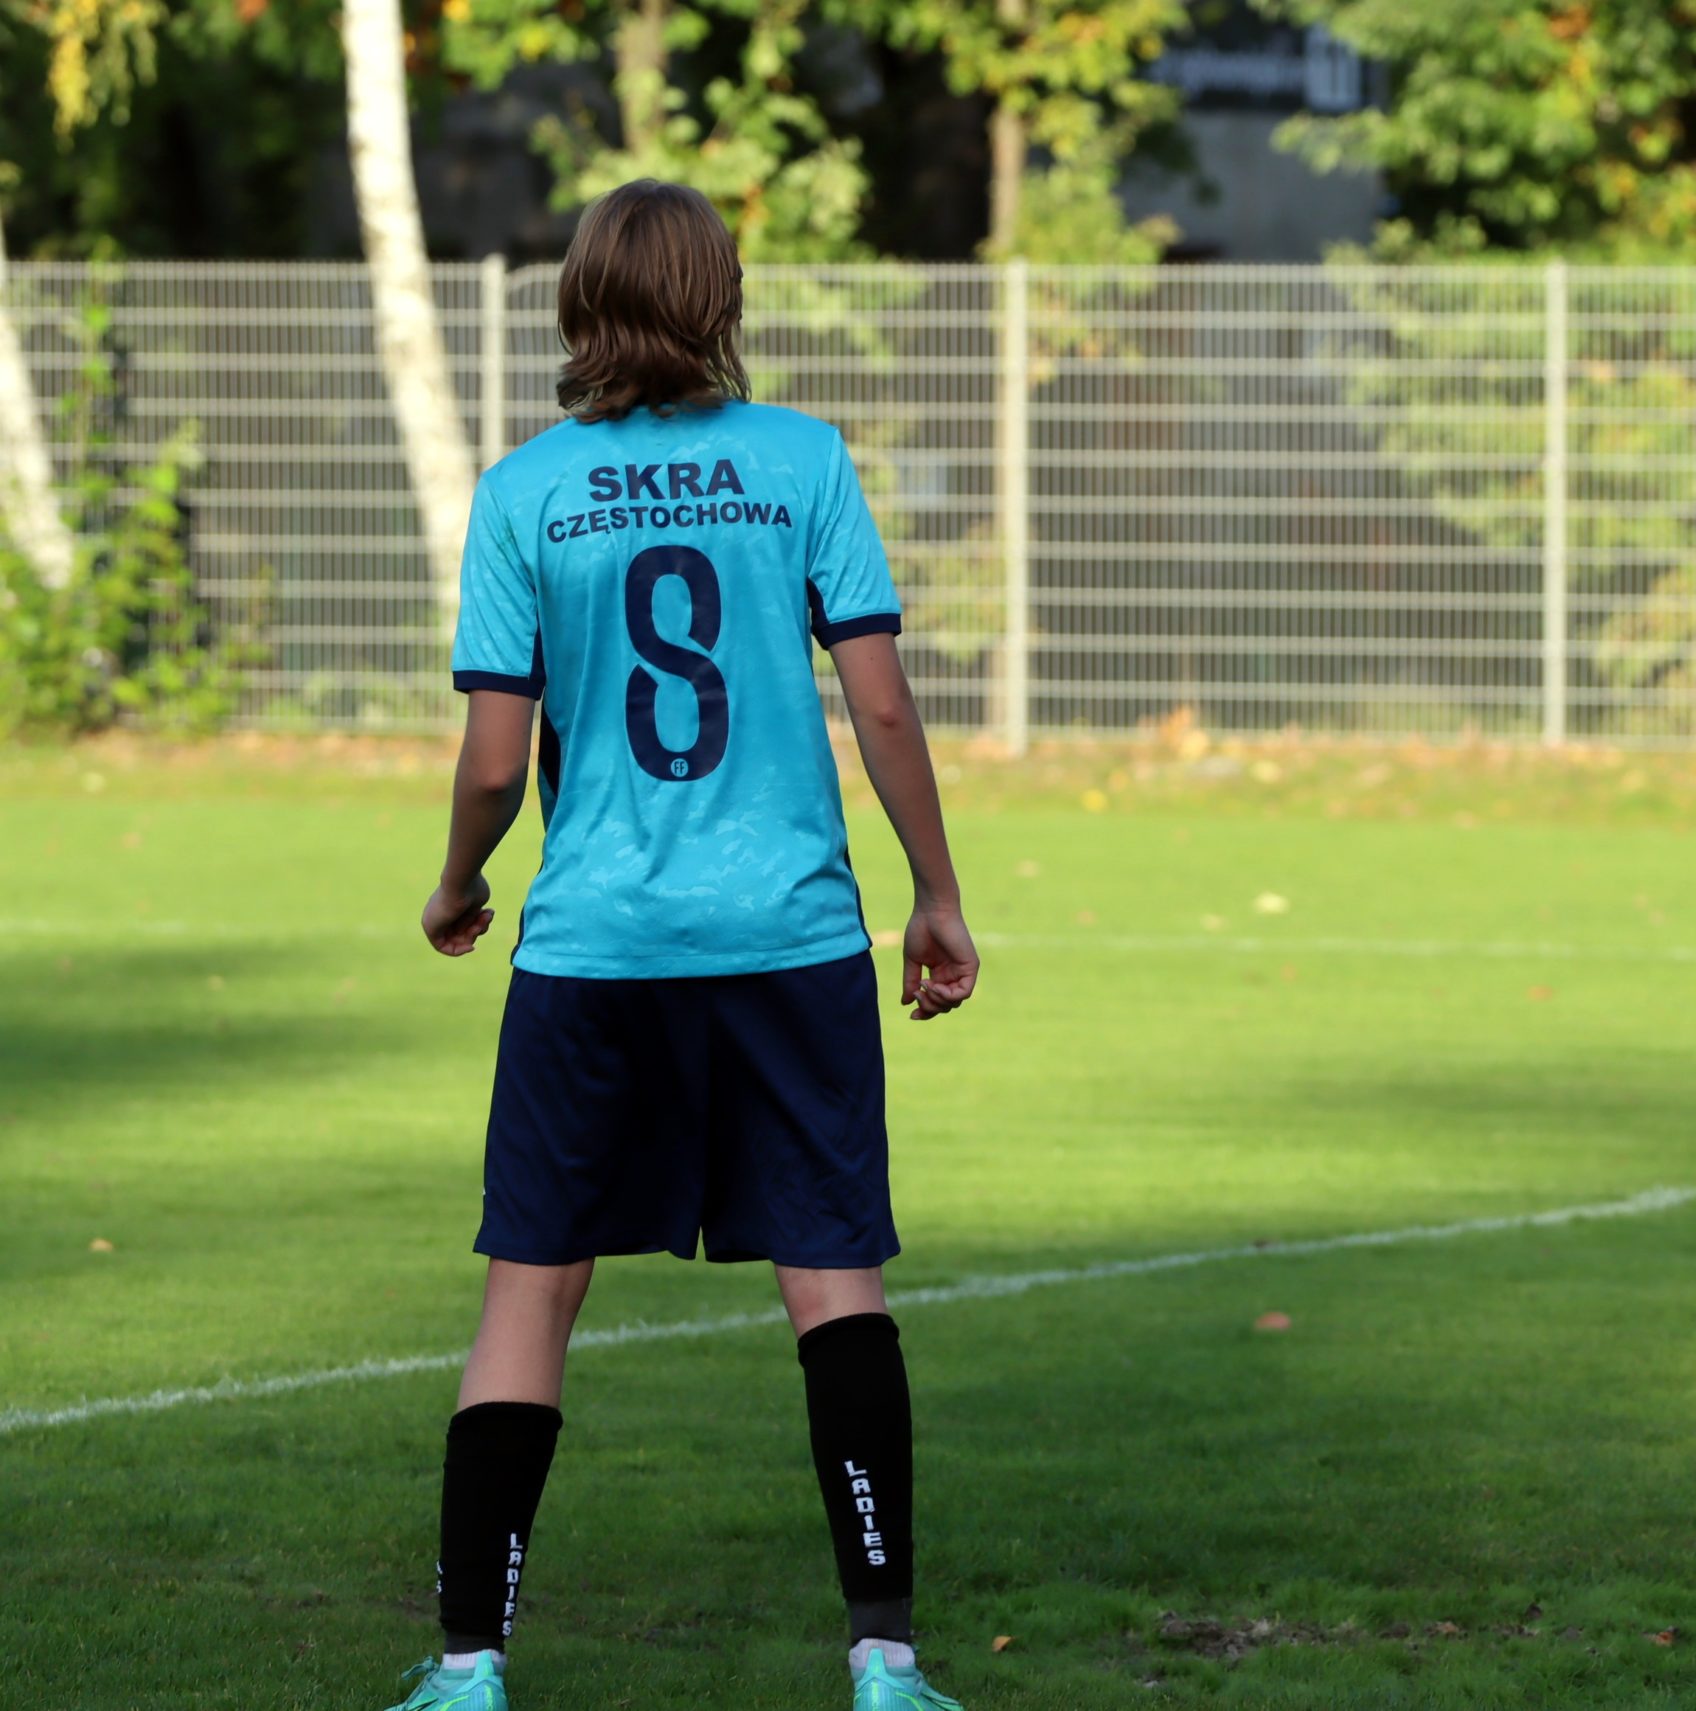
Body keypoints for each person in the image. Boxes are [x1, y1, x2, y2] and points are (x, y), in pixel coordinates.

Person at [380, 180, 980, 1711]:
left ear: (578, 302)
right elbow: (883, 701)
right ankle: (887, 1659)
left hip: (596, 947)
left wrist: (457, 880)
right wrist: (936, 890)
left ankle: (468, 1665)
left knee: (532, 1289)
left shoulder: (524, 490)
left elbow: (495, 760)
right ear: (721, 300)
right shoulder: (804, 458)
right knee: (834, 1281)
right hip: (790, 937)